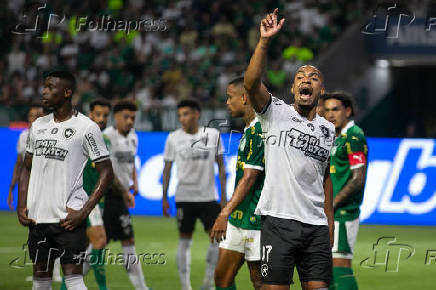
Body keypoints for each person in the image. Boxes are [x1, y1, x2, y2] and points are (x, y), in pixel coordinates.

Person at [244, 9, 336, 290]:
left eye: (313, 77)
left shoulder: (328, 129)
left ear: (321, 90)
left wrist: (329, 222)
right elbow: (250, 83)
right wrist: (263, 42)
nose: (306, 79)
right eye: (299, 77)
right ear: (293, 88)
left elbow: (324, 177)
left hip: (316, 227)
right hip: (279, 223)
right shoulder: (276, 113)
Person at [17, 70, 114, 290]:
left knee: (73, 279)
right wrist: (22, 203)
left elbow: (107, 172)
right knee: (40, 280)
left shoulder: (87, 128)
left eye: (51, 87)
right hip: (38, 218)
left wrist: (85, 210)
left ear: (67, 92)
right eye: (44, 86)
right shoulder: (38, 126)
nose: (44, 91)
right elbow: (26, 168)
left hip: (68, 217)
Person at [162, 99, 227, 290]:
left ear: (197, 114)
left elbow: (221, 167)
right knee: (184, 240)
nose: (182, 118)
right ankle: (185, 286)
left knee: (216, 239)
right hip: (184, 198)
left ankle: (208, 282)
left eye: (186, 114)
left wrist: (223, 197)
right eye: (180, 115)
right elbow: (167, 169)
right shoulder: (173, 138)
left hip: (208, 197)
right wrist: (164, 198)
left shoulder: (213, 134)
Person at [210, 77, 265, 290]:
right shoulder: (249, 130)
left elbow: (250, 178)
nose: (227, 102)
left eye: (229, 97)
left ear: (244, 97)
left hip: (257, 221)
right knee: (222, 278)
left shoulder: (260, 130)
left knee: (260, 281)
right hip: (237, 219)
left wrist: (223, 213)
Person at [59, 99, 112, 290]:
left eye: (105, 115)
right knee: (100, 241)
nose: (102, 119)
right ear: (90, 114)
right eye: (98, 114)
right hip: (84, 200)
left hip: (98, 200)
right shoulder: (80, 136)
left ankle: (66, 287)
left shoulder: (105, 140)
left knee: (86, 249)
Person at [103, 99, 150, 290]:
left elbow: (131, 163)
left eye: (133, 118)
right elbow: (106, 171)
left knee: (127, 241)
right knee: (97, 244)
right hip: (105, 198)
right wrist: (126, 192)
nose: (130, 121)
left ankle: (142, 288)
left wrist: (135, 183)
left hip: (119, 199)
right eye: (126, 117)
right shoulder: (106, 137)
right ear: (116, 117)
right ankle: (71, 282)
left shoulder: (133, 137)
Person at [324, 92, 368, 290]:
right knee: (326, 269)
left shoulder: (354, 135)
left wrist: (332, 205)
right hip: (331, 213)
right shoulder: (335, 137)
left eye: (336, 109)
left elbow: (358, 178)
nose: (330, 115)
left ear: (348, 111)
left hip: (342, 212)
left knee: (341, 265)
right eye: (327, 110)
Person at [7, 103, 43, 210]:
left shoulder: (47, 137)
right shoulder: (23, 136)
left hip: (44, 185)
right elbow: (19, 164)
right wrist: (11, 189)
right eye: (31, 116)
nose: (34, 119)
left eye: (37, 116)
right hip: (28, 185)